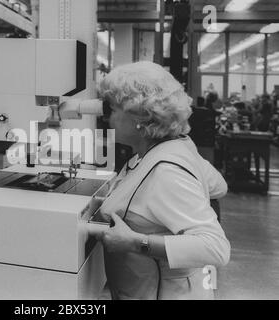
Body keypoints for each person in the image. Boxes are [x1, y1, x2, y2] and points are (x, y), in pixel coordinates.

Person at [94, 61, 230, 300]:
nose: (106, 118)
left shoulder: (166, 169)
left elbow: (216, 248)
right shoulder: (176, 148)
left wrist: (136, 242)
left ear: (142, 117)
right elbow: (219, 186)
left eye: (113, 109)